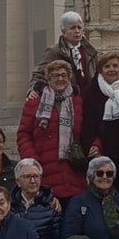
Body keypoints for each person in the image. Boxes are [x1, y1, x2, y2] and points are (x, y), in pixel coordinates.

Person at [18, 59, 86, 201]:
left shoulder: (78, 101)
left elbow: (89, 129)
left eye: (64, 75)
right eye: (55, 75)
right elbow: (24, 134)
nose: (60, 79)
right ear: (48, 78)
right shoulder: (34, 101)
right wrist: (33, 160)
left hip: (73, 172)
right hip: (44, 169)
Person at [80, 51, 119, 200]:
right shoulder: (93, 90)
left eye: (115, 66)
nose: (111, 69)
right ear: (101, 70)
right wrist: (92, 144)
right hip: (104, 152)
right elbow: (88, 123)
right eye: (107, 66)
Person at [31, 10, 98, 94]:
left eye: (79, 27)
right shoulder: (54, 51)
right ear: (63, 31)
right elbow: (39, 74)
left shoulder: (90, 52)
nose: (77, 31)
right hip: (65, 100)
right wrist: (33, 90)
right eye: (72, 28)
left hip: (88, 101)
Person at [11, 158, 63, 239]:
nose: (33, 181)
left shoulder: (52, 207)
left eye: (36, 176)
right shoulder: (8, 206)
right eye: (27, 177)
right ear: (17, 181)